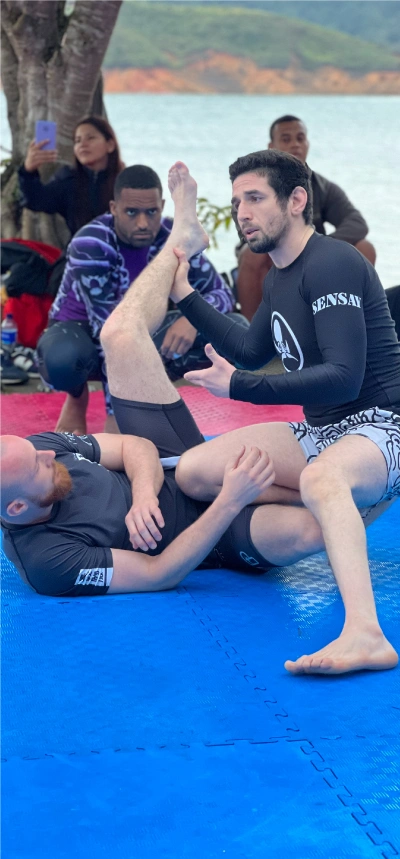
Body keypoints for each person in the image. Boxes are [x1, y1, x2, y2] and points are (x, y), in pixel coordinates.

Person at [1, 163, 321, 607]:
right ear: (17, 509)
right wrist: (229, 501)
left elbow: (135, 448)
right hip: (212, 537)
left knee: (120, 335)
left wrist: (144, 495)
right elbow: (159, 572)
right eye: (38, 466)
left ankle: (182, 239)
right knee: (310, 528)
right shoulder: (48, 561)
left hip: (174, 462)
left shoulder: (33, 451)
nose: (45, 453)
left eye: (36, 451)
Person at [165, 151, 400, 676]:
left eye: (254, 198)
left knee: (321, 477)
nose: (243, 212)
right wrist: (184, 295)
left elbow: (345, 376)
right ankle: (339, 507)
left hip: (385, 425)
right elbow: (250, 349)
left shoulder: (334, 261)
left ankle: (366, 633)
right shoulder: (278, 276)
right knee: (195, 470)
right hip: (323, 432)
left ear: (296, 201)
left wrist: (241, 388)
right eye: (236, 202)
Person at [36, 164, 246, 435]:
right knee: (62, 360)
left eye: (151, 212)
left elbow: (222, 295)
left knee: (236, 330)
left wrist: (193, 319)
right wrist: (117, 417)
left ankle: (153, 389)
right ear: (113, 208)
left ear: (161, 205)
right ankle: (77, 397)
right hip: (83, 334)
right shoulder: (91, 244)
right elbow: (108, 334)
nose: (143, 223)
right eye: (131, 212)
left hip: (141, 329)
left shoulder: (175, 236)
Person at [236, 114, 375, 320]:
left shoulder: (321, 186)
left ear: (307, 144)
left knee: (364, 247)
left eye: (300, 138)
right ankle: (250, 337)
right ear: (271, 146)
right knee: (252, 253)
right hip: (273, 256)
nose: (295, 144)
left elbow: (356, 223)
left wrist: (319, 247)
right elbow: (249, 231)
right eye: (286, 139)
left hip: (312, 258)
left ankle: (350, 323)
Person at [18, 115, 124, 237]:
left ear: (110, 145)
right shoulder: (69, 179)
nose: (83, 144)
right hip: (79, 252)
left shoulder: (127, 181)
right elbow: (36, 201)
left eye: (90, 138)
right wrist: (28, 171)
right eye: (77, 141)